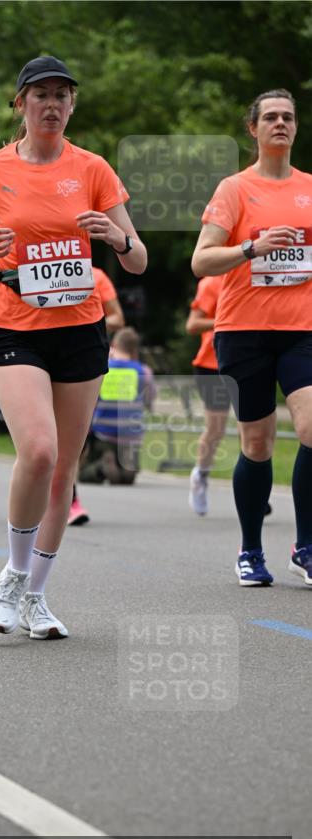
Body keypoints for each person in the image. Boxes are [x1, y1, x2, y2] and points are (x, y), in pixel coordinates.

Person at [0, 55, 146, 637]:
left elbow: (138, 258)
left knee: (63, 471)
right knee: (37, 450)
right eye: (40, 95)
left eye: (62, 95)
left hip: (80, 329)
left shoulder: (93, 169)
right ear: (21, 104)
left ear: (73, 105)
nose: (52, 104)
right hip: (14, 326)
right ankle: (10, 577)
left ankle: (35, 596)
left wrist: (119, 238)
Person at [191, 88, 312, 587]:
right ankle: (250, 550)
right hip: (244, 331)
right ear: (253, 129)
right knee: (257, 444)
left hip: (303, 331)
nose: (280, 123)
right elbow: (202, 260)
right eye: (270, 117)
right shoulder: (234, 189)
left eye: (287, 117)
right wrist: (251, 247)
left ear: (296, 127)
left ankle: (305, 547)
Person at [68, 265, 125, 524]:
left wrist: (81, 318)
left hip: (83, 355)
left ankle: (68, 497)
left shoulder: (96, 275)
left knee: (77, 437)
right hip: (38, 353)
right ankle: (56, 496)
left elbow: (117, 318)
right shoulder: (31, 258)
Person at [81, 326, 155, 485]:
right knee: (126, 478)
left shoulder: (101, 368)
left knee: (83, 474)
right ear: (134, 349)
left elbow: (89, 402)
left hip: (103, 435)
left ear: (113, 344)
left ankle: (101, 466)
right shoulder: (144, 372)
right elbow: (149, 401)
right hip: (130, 436)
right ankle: (128, 470)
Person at [186, 275, 231, 515]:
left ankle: (257, 489)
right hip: (211, 364)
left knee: (255, 428)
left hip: (247, 359)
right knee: (216, 428)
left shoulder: (254, 273)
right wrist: (228, 319)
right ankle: (200, 475)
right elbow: (192, 324)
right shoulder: (211, 282)